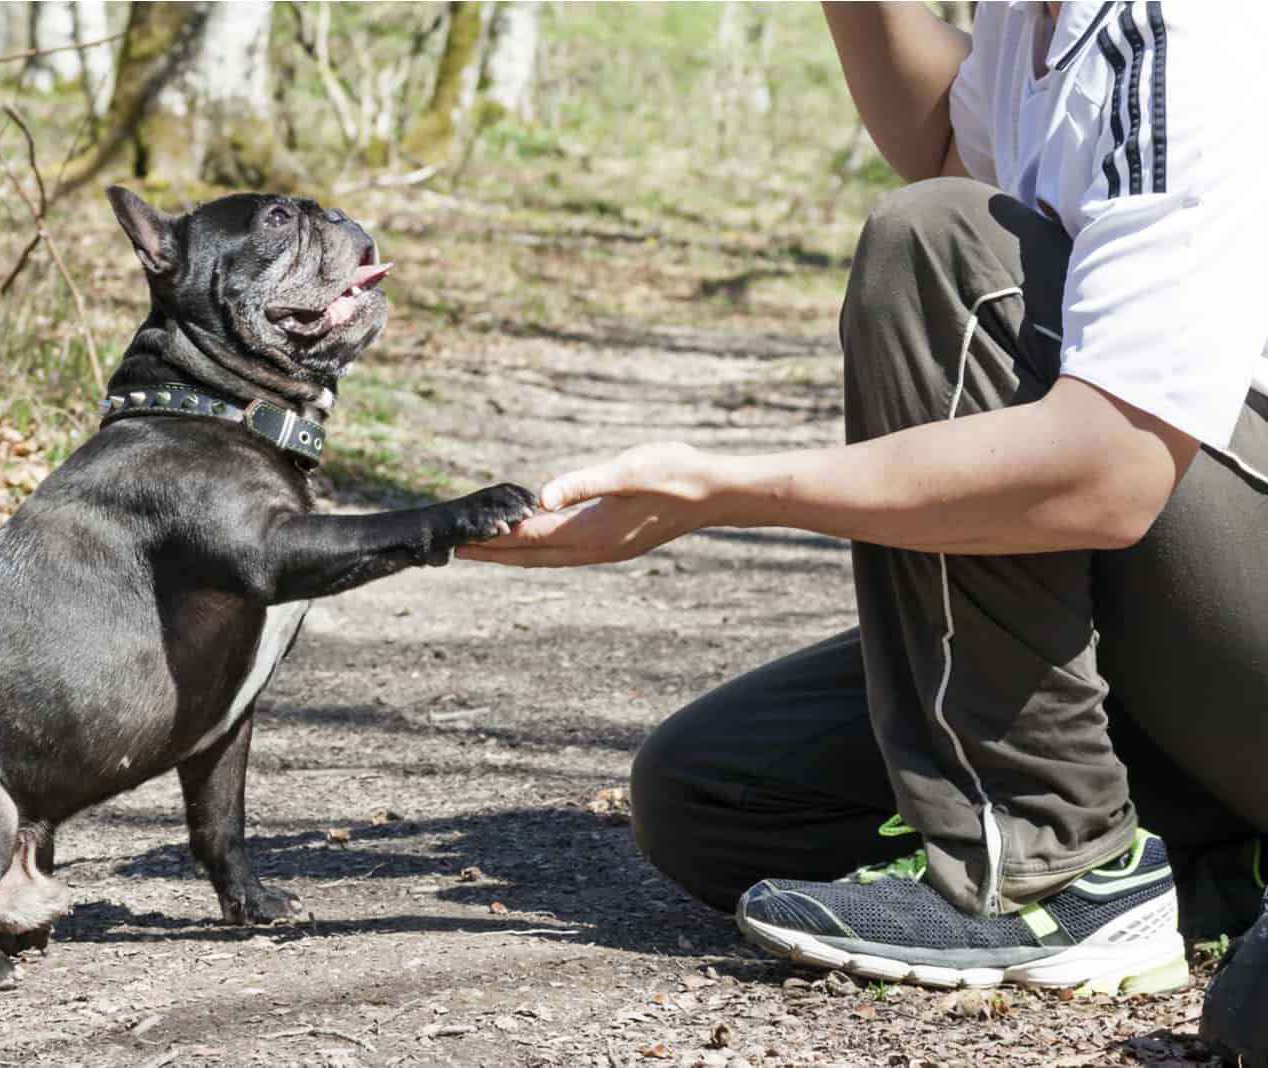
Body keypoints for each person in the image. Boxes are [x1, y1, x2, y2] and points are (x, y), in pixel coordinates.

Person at [459, 2, 1268, 1061]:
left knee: (942, 248)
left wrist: (722, 490)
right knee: (720, 797)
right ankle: (1222, 869)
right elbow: (947, 141)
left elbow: (1108, 471)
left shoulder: (1189, 31)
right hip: (1207, 650)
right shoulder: (1035, 17)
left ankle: (1054, 875)